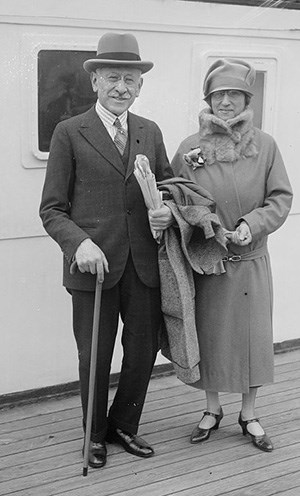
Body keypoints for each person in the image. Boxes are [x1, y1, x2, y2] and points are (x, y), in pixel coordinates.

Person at [39, 32, 173, 468]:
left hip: (143, 267)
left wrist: (167, 212)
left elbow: (170, 190)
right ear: (95, 80)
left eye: (130, 79)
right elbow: (52, 209)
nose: (121, 87)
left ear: (140, 85)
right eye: (112, 77)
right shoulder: (69, 132)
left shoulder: (149, 132)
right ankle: (93, 435)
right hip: (92, 269)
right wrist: (80, 244)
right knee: (94, 356)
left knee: (141, 353)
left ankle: (123, 425)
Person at [171, 58, 293, 452]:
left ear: (246, 99)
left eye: (233, 94)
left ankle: (249, 413)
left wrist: (250, 224)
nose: (225, 102)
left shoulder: (266, 145)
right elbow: (175, 197)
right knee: (210, 337)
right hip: (210, 262)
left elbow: (280, 198)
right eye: (218, 94)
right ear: (208, 98)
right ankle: (211, 409)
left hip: (251, 260)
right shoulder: (190, 148)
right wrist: (202, 223)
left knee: (252, 340)